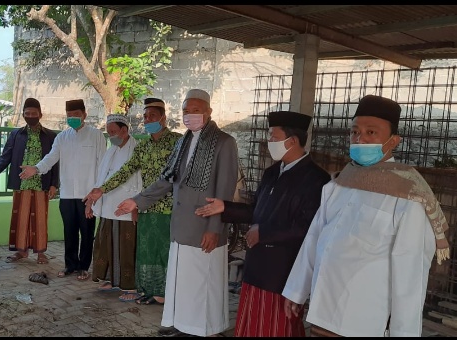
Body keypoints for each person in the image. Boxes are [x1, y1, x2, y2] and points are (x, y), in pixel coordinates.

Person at [281, 94, 451, 337]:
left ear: (393, 141)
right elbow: (315, 239)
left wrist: (403, 333)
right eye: (354, 131)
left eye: (371, 132)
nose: (359, 138)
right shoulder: (339, 184)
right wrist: (297, 290)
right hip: (322, 310)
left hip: (362, 319)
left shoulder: (408, 196)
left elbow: (410, 275)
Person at [115, 89, 240, 337]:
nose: (190, 115)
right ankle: (183, 326)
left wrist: (214, 229)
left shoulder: (224, 142)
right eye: (185, 111)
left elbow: (224, 192)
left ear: (208, 112)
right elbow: (166, 180)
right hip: (181, 225)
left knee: (203, 284)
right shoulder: (183, 141)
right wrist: (137, 201)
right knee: (182, 283)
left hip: (205, 228)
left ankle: (205, 330)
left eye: (195, 110)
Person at [195, 110, 331, 337]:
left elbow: (308, 228)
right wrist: (225, 207)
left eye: (273, 138)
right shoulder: (271, 173)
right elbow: (255, 212)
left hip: (284, 270)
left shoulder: (316, 179)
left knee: (278, 326)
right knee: (252, 325)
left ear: (293, 141)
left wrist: (265, 232)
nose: (269, 143)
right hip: (257, 264)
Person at [83, 98, 182, 305]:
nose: (148, 120)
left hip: (169, 207)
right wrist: (101, 190)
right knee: (146, 252)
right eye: (145, 117)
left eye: (152, 116)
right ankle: (148, 290)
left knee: (164, 251)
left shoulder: (177, 142)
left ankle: (166, 292)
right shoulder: (143, 148)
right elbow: (125, 172)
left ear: (163, 118)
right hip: (145, 206)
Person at [20, 99, 107, 281]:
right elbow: (51, 158)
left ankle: (84, 267)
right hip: (67, 194)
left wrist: (96, 192)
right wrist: (35, 169)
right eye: (70, 116)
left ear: (84, 114)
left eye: (76, 115)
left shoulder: (96, 135)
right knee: (69, 231)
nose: (73, 118)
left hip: (87, 194)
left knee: (87, 231)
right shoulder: (62, 137)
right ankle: (70, 265)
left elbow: (102, 164)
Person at [0, 98, 58, 265]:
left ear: (40, 114)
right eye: (27, 114)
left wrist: (54, 184)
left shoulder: (51, 136)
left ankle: (40, 254)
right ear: (23, 115)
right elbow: (6, 157)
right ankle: (21, 251)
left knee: (40, 220)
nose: (30, 116)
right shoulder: (16, 134)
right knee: (21, 218)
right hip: (21, 184)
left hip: (41, 183)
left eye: (34, 113)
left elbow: (55, 161)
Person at [85, 114, 143, 295]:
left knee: (126, 246)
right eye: (108, 132)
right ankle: (110, 279)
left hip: (126, 208)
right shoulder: (111, 151)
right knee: (106, 244)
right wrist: (91, 202)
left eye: (113, 132)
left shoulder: (136, 150)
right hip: (108, 205)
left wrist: (137, 207)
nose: (111, 136)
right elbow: (101, 178)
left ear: (124, 130)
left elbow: (141, 181)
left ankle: (129, 285)